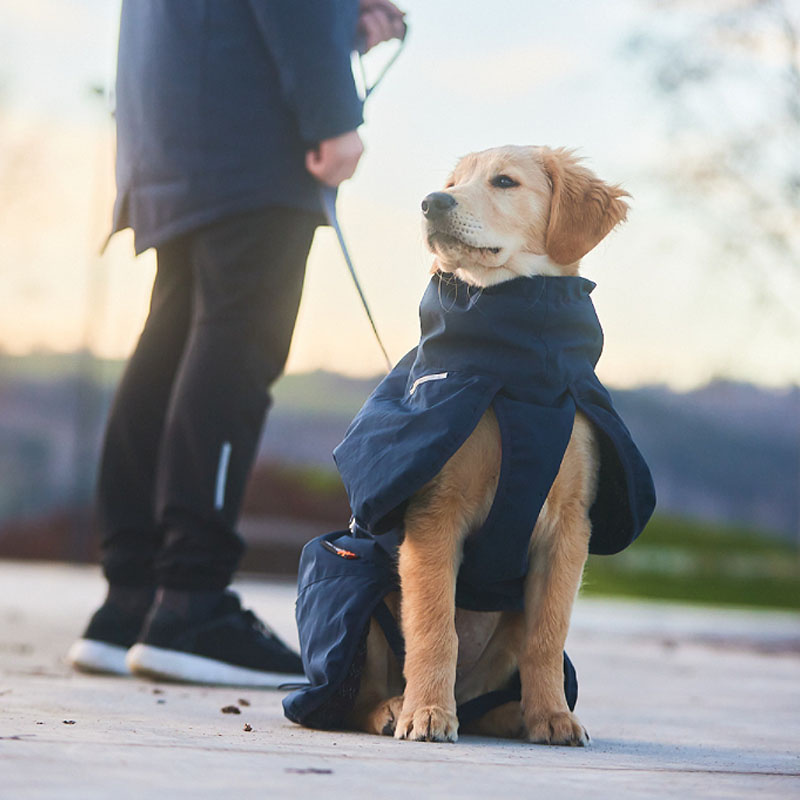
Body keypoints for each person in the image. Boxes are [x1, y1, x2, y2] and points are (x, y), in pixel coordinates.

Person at [68, 0, 406, 686]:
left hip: (172, 128)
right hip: (250, 141)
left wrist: (342, 26)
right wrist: (330, 110)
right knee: (235, 352)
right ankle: (190, 604)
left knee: (169, 343)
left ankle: (131, 603)